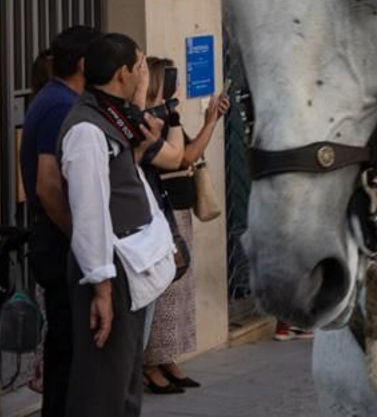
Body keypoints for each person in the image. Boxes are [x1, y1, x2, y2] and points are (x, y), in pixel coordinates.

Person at [60, 32, 175, 417]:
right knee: (103, 388)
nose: (144, 74)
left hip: (125, 265)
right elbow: (89, 212)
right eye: (139, 67)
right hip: (109, 272)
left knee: (123, 382)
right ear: (123, 72)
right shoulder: (87, 129)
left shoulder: (109, 115)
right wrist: (102, 289)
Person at [135, 57, 230, 395]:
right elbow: (183, 157)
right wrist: (210, 123)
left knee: (179, 292)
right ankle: (151, 364)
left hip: (178, 212)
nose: (176, 87)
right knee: (164, 292)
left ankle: (167, 359)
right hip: (162, 216)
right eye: (170, 80)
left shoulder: (167, 116)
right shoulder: (148, 122)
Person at [20, 24, 99, 417]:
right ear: (85, 64)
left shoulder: (58, 99)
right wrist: (81, 236)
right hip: (58, 242)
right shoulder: (59, 106)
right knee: (68, 346)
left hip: (60, 239)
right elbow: (48, 186)